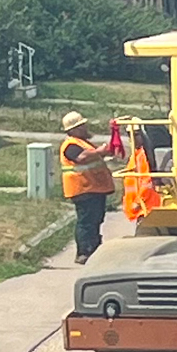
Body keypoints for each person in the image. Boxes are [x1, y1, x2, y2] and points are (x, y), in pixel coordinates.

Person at [60, 111, 117, 265]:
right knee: (86, 221)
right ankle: (84, 252)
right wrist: (100, 151)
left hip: (93, 188)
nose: (85, 128)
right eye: (81, 126)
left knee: (95, 219)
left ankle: (94, 248)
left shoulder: (83, 143)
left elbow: (91, 156)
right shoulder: (71, 145)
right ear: (73, 130)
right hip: (83, 189)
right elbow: (81, 157)